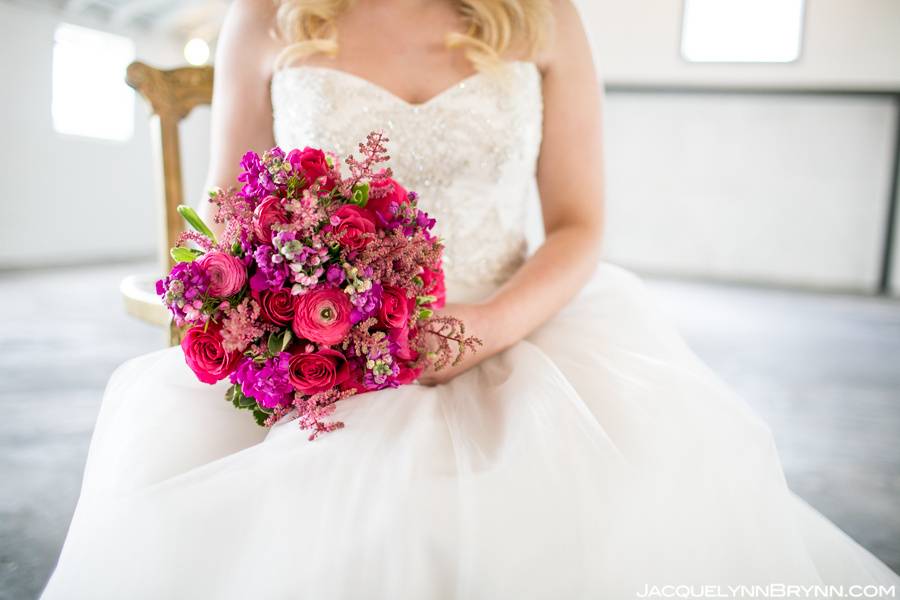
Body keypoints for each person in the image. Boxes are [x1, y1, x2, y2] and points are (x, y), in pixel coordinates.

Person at [42, 0, 900, 598]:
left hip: (520, 322)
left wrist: (488, 326)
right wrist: (295, 329)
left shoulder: (545, 16)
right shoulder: (266, 13)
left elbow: (577, 223)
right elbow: (227, 222)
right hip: (331, 358)